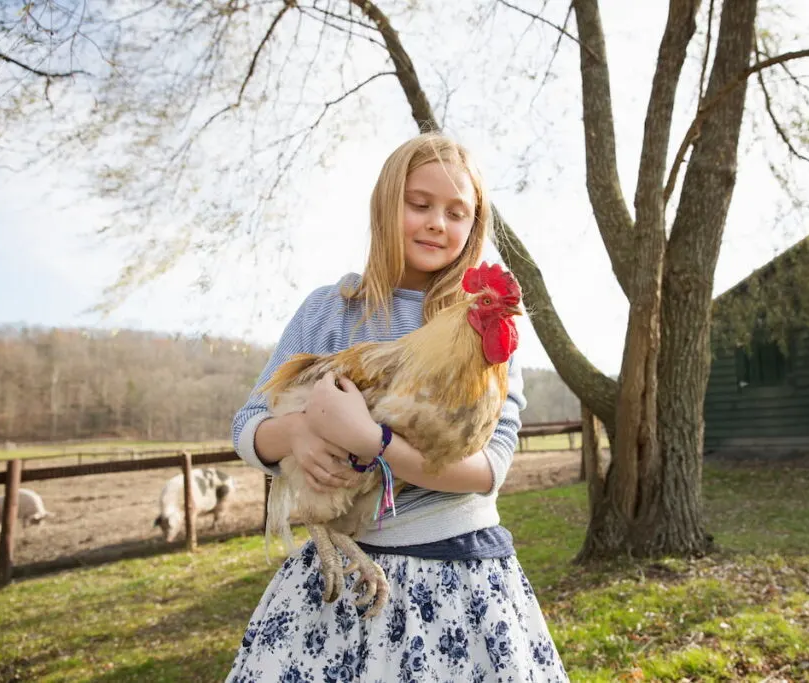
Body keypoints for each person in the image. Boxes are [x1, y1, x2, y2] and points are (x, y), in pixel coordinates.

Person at [225, 131, 569, 682]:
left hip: (463, 568)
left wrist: (373, 442)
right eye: (420, 204)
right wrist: (295, 435)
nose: (437, 222)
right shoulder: (331, 310)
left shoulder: (485, 324)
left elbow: (489, 471)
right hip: (349, 566)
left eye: (457, 212)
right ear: (387, 205)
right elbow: (247, 424)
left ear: (474, 226)